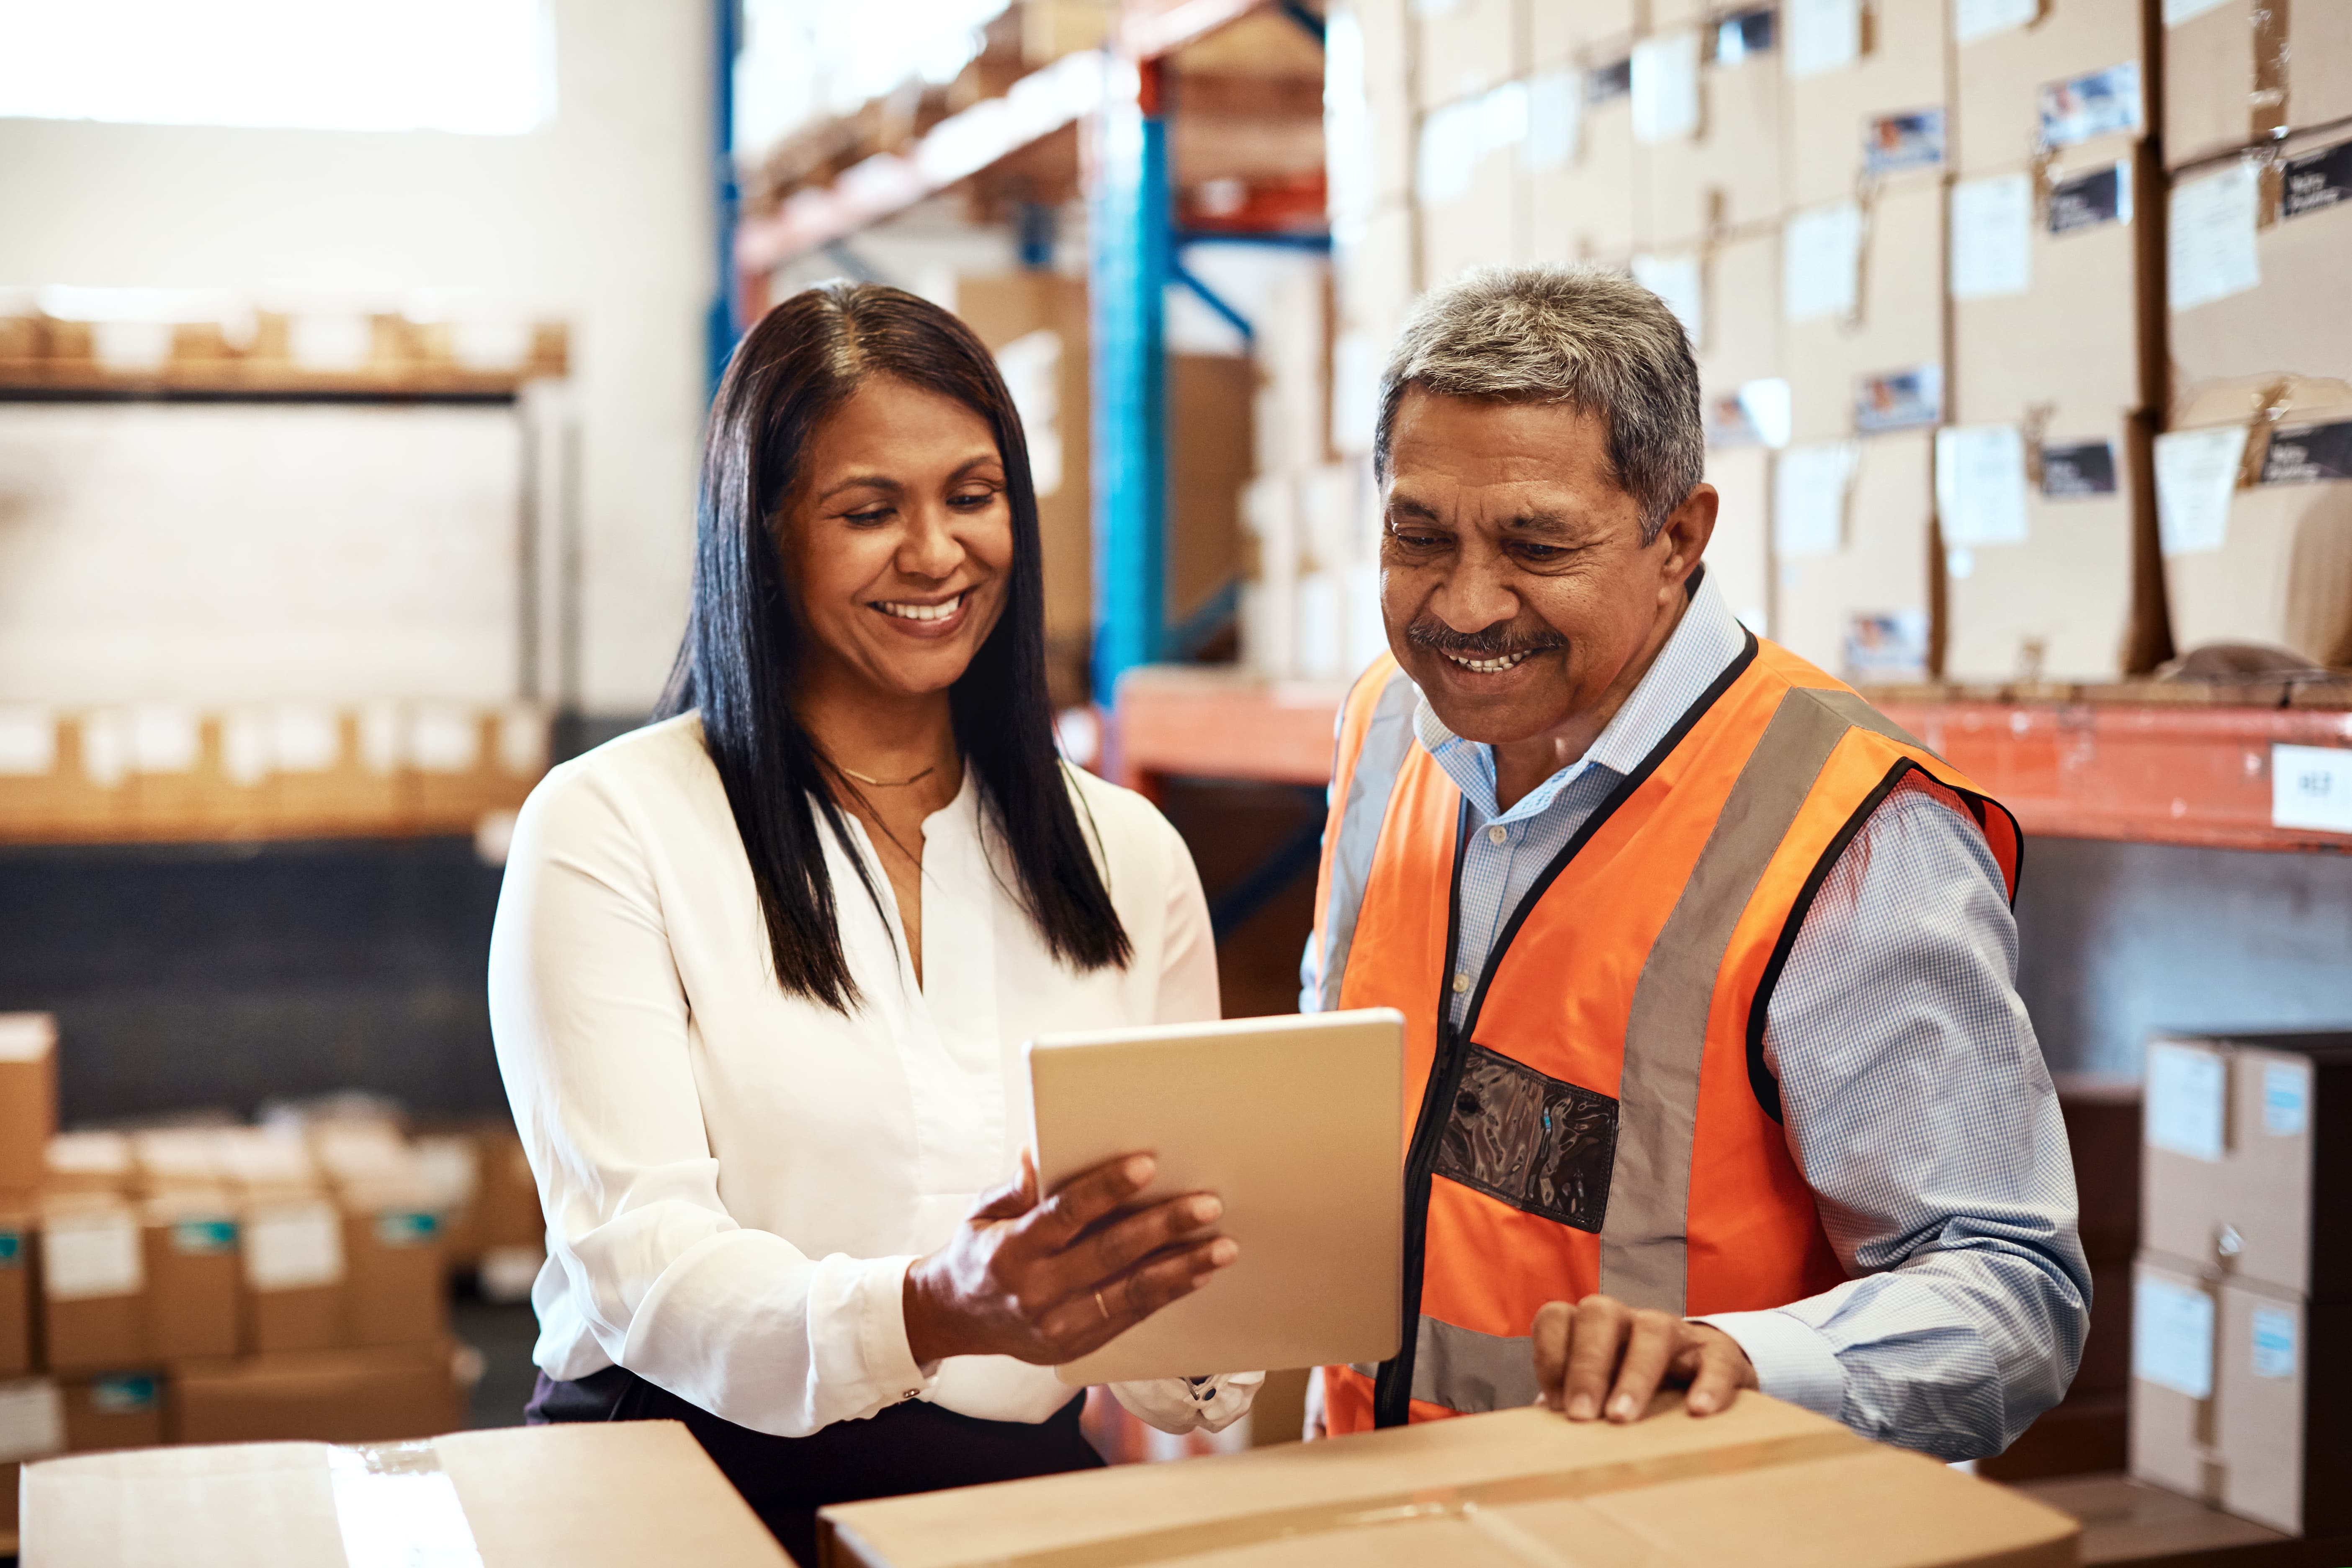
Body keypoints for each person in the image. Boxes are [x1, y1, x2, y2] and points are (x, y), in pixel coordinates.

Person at [490, 281, 1256, 1563]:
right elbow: (643, 1264)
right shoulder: (610, 826)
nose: (937, 554)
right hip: (673, 1487)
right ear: (765, 534)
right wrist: (933, 1307)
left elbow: (1172, 1287)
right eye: (868, 511)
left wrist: (1214, 1315)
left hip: (1006, 1499)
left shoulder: (1124, 854)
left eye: (972, 495)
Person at [1300, 266, 2088, 1460]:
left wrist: (1749, 1361)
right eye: (1418, 534)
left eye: (1534, 544)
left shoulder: (1847, 829)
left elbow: (2008, 1289)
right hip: (1382, 1508)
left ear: (1677, 536)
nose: (1463, 605)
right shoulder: (1385, 730)